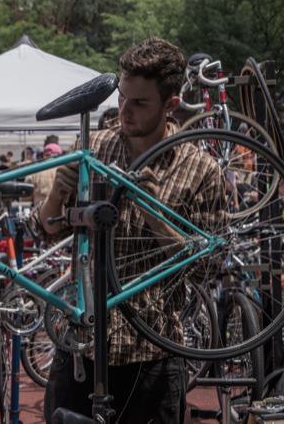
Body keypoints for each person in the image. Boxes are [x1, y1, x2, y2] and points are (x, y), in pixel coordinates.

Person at [37, 37, 227, 423]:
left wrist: (155, 214)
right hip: (80, 349)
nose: (125, 110)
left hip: (151, 356)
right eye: (122, 98)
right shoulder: (94, 146)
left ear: (170, 105)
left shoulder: (200, 169)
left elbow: (210, 268)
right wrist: (57, 195)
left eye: (139, 103)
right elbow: (49, 231)